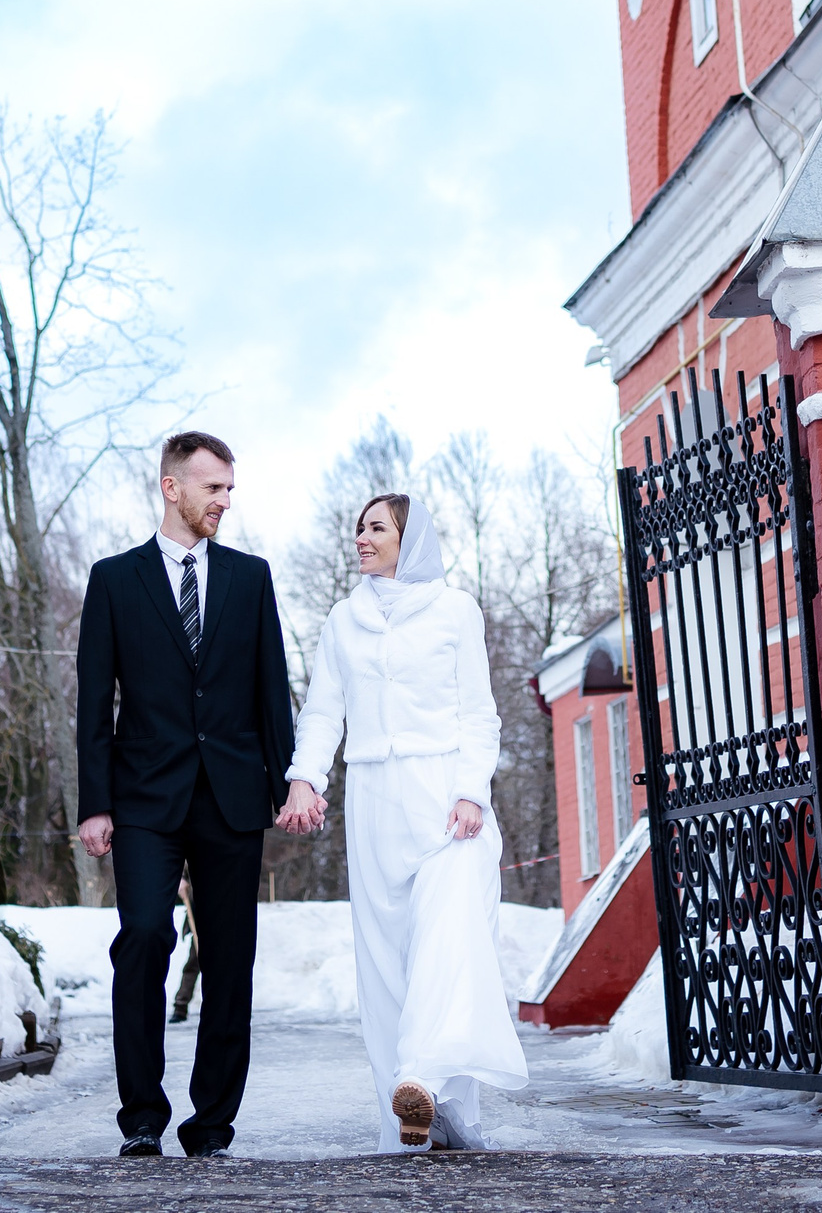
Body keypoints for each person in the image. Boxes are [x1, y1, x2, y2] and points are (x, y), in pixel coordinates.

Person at [277, 493, 527, 1150]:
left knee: (447, 937)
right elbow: (324, 712)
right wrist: (305, 777)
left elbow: (480, 713)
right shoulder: (341, 620)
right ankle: (413, 1108)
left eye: (376, 527)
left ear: (409, 539)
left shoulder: (454, 611)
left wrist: (473, 789)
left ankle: (422, 1074)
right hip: (372, 801)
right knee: (383, 959)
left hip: (447, 799)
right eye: (357, 526)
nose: (361, 537)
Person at [76, 431, 295, 1159]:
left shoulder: (251, 577)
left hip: (233, 794)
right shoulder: (113, 579)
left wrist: (290, 779)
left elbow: (272, 693)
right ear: (172, 486)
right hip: (142, 796)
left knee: (230, 957)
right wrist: (94, 801)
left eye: (230, 488)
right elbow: (91, 701)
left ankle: (211, 1123)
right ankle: (142, 1113)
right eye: (213, 487)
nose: (225, 501)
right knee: (144, 936)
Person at [170, 873, 202, 1024]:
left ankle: (231, 1003)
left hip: (221, 912)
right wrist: (181, 879)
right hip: (198, 912)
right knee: (194, 962)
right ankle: (181, 1006)